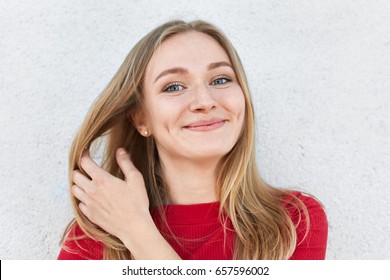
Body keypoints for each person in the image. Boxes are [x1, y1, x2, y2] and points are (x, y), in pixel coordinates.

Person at [58, 19, 328, 260]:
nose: (205, 101)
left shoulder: (294, 222)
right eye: (173, 86)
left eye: (221, 79)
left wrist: (137, 231)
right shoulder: (94, 237)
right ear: (142, 119)